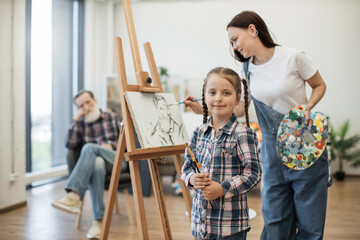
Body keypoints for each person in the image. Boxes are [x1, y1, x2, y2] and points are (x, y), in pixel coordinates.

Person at [185, 11, 330, 240]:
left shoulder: (293, 57)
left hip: (303, 142)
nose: (234, 46)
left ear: (252, 30)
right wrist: (204, 107)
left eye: (235, 39)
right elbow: (245, 108)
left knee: (310, 223)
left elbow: (319, 85)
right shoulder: (247, 69)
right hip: (271, 152)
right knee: (275, 220)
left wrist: (309, 107)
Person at [181, 67, 261, 240]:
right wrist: (191, 179)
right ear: (204, 96)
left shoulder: (243, 134)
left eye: (226, 93)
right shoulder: (198, 133)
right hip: (201, 224)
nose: (218, 98)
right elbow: (187, 167)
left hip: (230, 227)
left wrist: (222, 189)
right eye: (212, 92)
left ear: (238, 98)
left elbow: (253, 174)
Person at [52, 90, 127, 239]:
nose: (86, 107)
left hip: (116, 160)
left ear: (95, 100)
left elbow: (126, 143)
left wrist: (111, 146)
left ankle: (74, 195)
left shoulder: (112, 117)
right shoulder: (80, 124)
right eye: (81, 106)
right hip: (97, 165)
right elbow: (70, 144)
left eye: (88, 102)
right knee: (97, 163)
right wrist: (75, 120)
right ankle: (98, 222)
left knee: (89, 147)